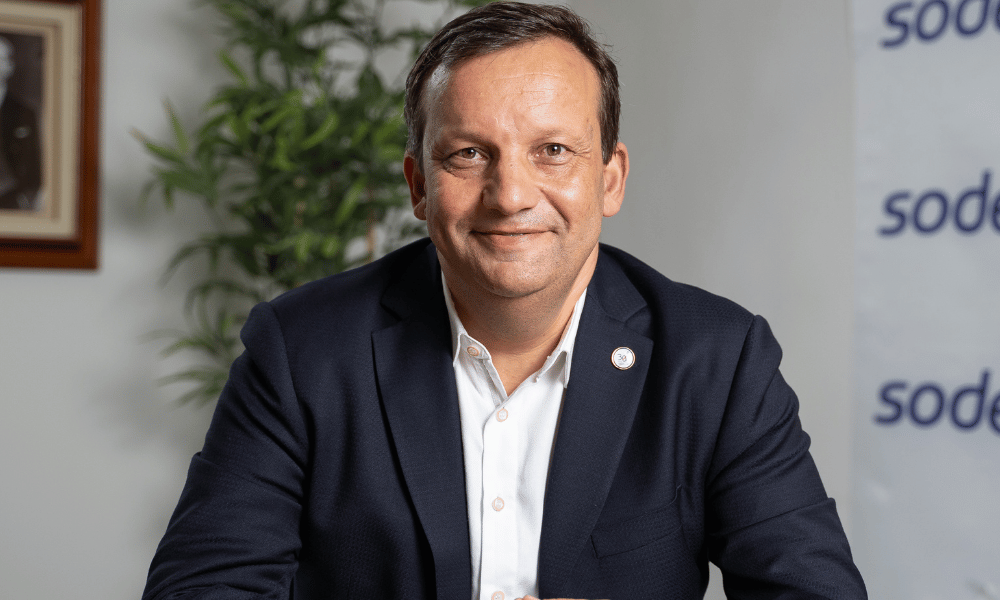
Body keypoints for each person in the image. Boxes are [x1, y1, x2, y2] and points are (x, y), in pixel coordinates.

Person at [143, 3, 867, 599]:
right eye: (469, 154)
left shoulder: (716, 361)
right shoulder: (302, 351)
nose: (512, 195)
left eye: (553, 151)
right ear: (419, 186)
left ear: (610, 179)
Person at [0, 35, 41, 212]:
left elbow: (34, 168)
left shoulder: (25, 113)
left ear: (10, 66)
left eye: (1, 59)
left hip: (11, 203)